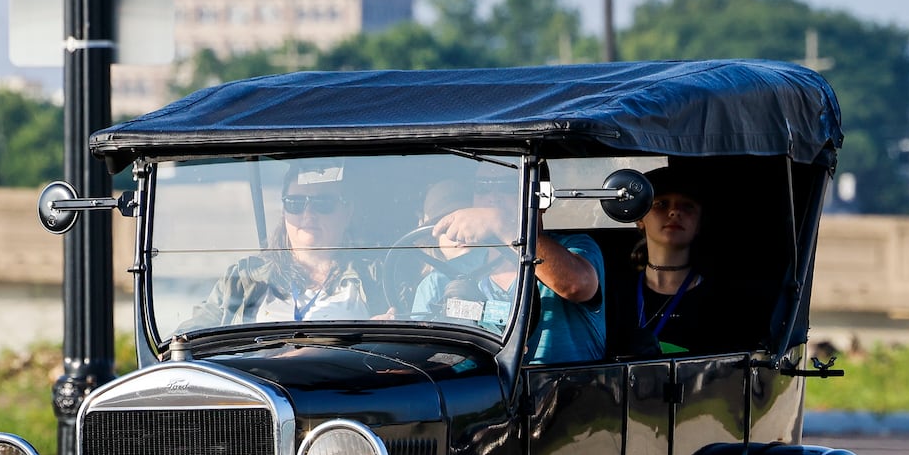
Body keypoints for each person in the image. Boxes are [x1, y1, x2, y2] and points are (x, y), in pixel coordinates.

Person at [411, 169, 605, 363]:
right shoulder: (443, 278)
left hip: (562, 388)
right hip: (476, 389)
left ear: (542, 199)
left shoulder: (575, 249)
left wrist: (501, 223)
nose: (492, 199)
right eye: (483, 188)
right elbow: (417, 360)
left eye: (508, 187)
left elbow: (577, 285)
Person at [184, 163, 383, 328]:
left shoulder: (378, 277)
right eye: (295, 203)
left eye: (323, 203)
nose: (308, 214)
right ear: (283, 211)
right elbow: (186, 340)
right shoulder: (243, 279)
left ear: (348, 212)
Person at [613, 164, 711, 356]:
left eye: (687, 206)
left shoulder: (720, 298)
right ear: (640, 218)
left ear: (699, 223)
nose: (674, 212)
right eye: (661, 204)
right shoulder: (616, 293)